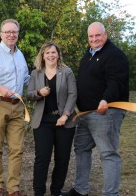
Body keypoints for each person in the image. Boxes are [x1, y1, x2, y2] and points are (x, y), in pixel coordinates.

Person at [63, 22, 129, 196]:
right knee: (81, 148)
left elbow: (116, 81)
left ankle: (110, 194)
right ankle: (80, 189)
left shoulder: (115, 55)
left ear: (105, 35)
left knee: (108, 153)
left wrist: (106, 99)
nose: (94, 39)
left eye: (97, 35)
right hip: (85, 114)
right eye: (91, 36)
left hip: (106, 112)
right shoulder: (88, 54)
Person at [0, 19, 30, 196]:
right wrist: (1, 88)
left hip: (18, 107)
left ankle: (13, 188)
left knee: (17, 149)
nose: (11, 35)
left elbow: (26, 80)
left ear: (18, 34)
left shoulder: (20, 55)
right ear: (1, 34)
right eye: (7, 32)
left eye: (14, 32)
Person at [27, 42, 77, 196]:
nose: (50, 55)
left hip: (64, 121)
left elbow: (72, 94)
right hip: (42, 122)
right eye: (47, 52)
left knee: (62, 160)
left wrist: (65, 115)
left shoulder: (67, 72)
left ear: (58, 54)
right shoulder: (36, 74)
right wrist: (39, 92)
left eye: (53, 52)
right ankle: (39, 192)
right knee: (42, 159)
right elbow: (29, 95)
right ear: (42, 55)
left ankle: (56, 191)